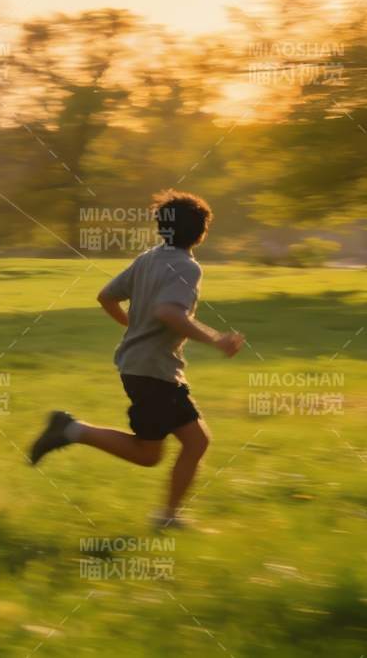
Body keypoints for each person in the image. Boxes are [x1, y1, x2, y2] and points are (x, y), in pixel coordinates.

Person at [27, 189, 244, 529]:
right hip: (155, 372)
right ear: (202, 232)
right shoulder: (188, 267)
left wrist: (134, 326)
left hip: (138, 367)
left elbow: (106, 297)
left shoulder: (148, 259)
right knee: (193, 443)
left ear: (162, 228)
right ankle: (166, 517)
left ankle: (71, 430)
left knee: (150, 453)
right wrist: (217, 339)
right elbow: (168, 311)